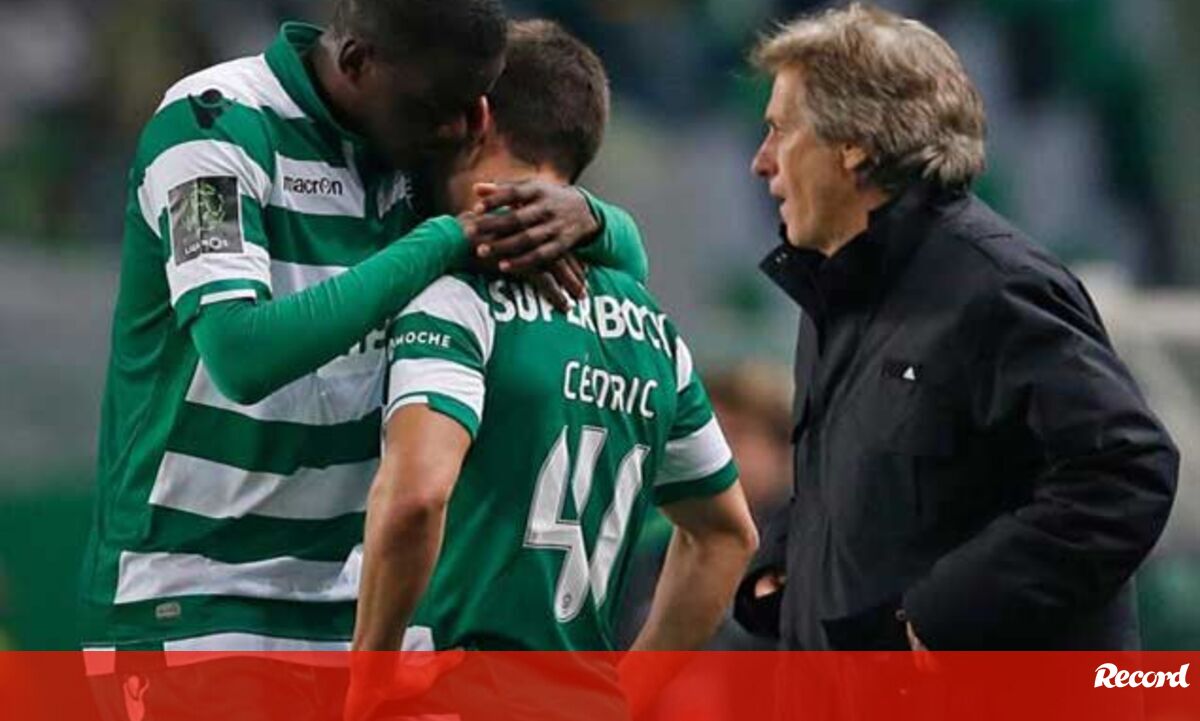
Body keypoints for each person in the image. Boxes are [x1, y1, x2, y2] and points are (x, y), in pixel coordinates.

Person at [81, 1, 649, 718]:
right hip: (195, 599)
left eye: (477, 104)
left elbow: (630, 267)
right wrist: (445, 239)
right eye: (440, 107)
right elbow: (239, 353)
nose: (463, 130)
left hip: (353, 614)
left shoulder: (406, 147)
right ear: (356, 62)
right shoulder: (211, 126)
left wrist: (595, 219)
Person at [735, 2, 1178, 655]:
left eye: (780, 130)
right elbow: (870, 492)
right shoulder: (835, 296)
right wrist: (785, 564)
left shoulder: (996, 286)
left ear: (854, 143)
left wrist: (936, 618)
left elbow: (1125, 472)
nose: (761, 161)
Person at [349, 19, 758, 720]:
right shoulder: (652, 329)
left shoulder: (458, 299)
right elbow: (726, 535)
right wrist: (629, 695)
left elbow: (417, 497)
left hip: (457, 695)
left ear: (476, 118)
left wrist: (367, 680)